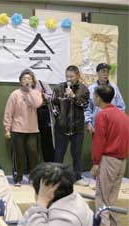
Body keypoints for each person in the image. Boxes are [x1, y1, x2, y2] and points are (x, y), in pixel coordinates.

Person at [90, 85, 129, 226]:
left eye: (94, 95)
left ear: (98, 98)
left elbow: (99, 140)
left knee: (102, 198)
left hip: (109, 160)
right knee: (112, 199)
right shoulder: (123, 115)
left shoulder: (103, 114)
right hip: (121, 161)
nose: (93, 98)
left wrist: (95, 162)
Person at [18, 162, 93, 226]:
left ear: (47, 193)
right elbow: (25, 220)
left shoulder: (67, 218)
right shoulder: (70, 197)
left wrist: (41, 202)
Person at [4, 69, 43, 186]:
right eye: (24, 79)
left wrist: (30, 90)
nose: (26, 80)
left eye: (29, 79)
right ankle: (18, 178)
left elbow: (37, 104)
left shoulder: (36, 92)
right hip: (17, 129)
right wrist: (7, 128)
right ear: (20, 81)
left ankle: (33, 177)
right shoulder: (15, 94)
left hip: (32, 129)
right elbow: (8, 112)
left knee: (33, 153)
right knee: (19, 154)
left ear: (33, 81)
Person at [52, 65, 89, 186]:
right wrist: (59, 117)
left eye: (71, 76)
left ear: (78, 76)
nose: (69, 78)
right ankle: (56, 178)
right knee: (58, 154)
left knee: (77, 154)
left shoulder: (84, 89)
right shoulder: (58, 88)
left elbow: (85, 105)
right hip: (62, 128)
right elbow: (53, 105)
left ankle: (78, 177)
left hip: (77, 128)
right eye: (67, 76)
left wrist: (73, 96)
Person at [85, 63, 125, 135]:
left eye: (107, 71)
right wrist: (88, 123)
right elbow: (87, 109)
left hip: (112, 126)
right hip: (96, 127)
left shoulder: (114, 88)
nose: (106, 74)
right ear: (97, 73)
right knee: (98, 146)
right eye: (103, 71)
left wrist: (118, 122)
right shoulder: (91, 89)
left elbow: (121, 107)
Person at [36, 80, 55, 162]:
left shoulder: (42, 83)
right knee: (32, 141)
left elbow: (52, 97)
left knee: (47, 139)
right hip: (31, 112)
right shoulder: (26, 86)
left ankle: (49, 163)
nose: (28, 79)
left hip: (43, 111)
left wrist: (44, 96)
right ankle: (32, 167)